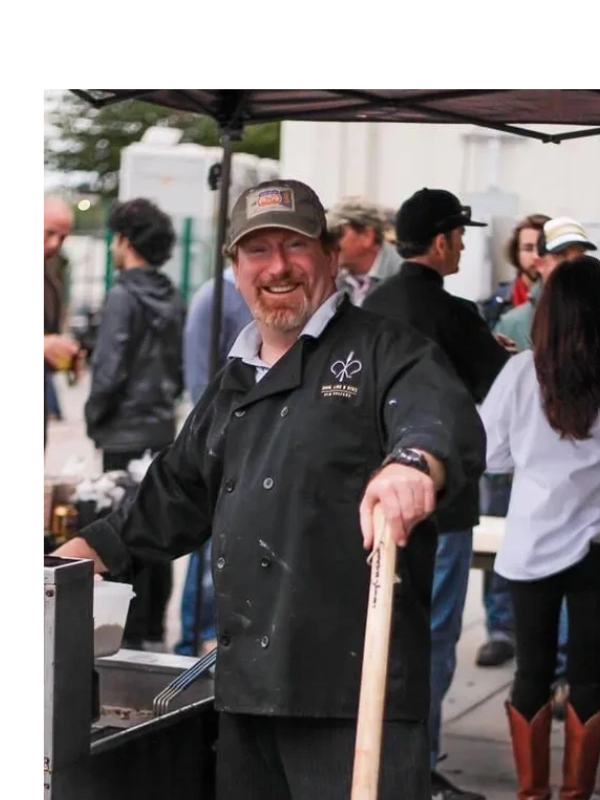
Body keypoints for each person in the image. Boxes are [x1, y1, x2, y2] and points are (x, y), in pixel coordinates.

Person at [54, 178, 486, 800]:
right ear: (234, 267)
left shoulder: (388, 349)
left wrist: (412, 465)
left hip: (353, 701)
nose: (278, 267)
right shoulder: (234, 379)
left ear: (330, 255)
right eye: (258, 250)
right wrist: (81, 556)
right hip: (247, 695)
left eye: (295, 246)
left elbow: (439, 419)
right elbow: (175, 493)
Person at [363, 187, 511, 800]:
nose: (465, 246)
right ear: (445, 240)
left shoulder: (369, 305)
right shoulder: (454, 314)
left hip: (368, 502)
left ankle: (378, 764)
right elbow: (501, 391)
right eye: (462, 236)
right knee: (434, 638)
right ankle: (417, 772)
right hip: (439, 506)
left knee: (374, 640)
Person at [479, 255, 600, 800]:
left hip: (530, 546)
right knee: (592, 677)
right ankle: (577, 793)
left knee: (531, 673)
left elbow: (491, 456)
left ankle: (532, 794)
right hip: (597, 546)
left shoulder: (520, 373)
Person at [85, 197, 186, 650]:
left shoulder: (123, 294)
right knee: (157, 522)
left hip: (124, 430)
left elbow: (109, 371)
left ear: (124, 241)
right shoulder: (172, 294)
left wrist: (94, 418)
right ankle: (152, 629)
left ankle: (124, 635)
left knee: (121, 530)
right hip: (161, 427)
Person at [476, 214, 550, 670]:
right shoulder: (503, 305)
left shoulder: (564, 304)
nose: (534, 254)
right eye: (526, 246)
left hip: (544, 449)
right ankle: (499, 628)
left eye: (542, 246)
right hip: (508, 437)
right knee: (499, 537)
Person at [175, 265, 251, 656]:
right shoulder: (215, 298)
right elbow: (200, 381)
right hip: (220, 443)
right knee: (207, 546)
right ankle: (192, 639)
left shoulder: (244, 296)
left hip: (248, 445)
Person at [41, 195, 80, 451]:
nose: (55, 243)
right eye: (50, 233)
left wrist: (66, 355)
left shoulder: (51, 281)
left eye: (63, 237)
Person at [326, 196, 402, 305]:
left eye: (336, 234)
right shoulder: (333, 276)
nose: (329, 243)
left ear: (367, 236)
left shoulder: (402, 276)